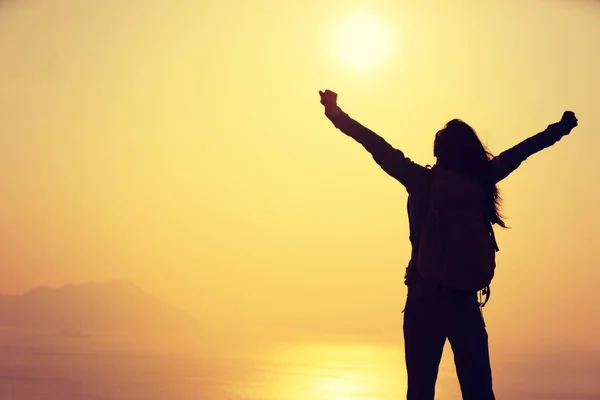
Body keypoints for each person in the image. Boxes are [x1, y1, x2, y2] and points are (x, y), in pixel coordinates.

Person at [318, 89, 579, 400]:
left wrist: (336, 114)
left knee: (420, 391)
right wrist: (560, 129)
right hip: (465, 303)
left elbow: (376, 145)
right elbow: (522, 151)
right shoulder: (484, 178)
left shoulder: (420, 180)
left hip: (423, 298)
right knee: (479, 391)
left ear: (438, 152)